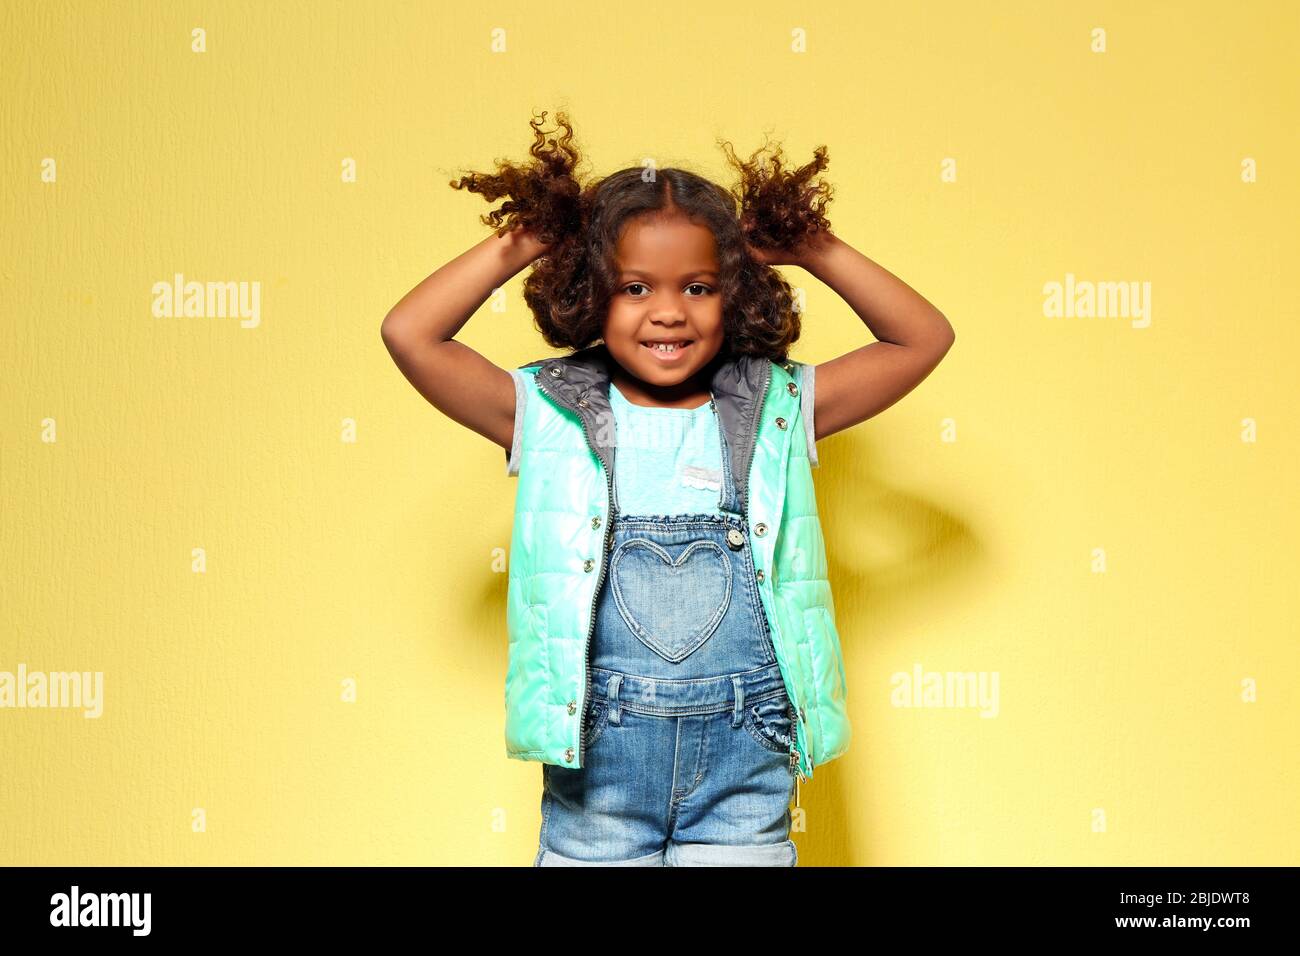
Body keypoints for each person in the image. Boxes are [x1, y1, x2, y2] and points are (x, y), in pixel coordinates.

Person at [381, 110, 955, 865]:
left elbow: (923, 337)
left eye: (698, 285)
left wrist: (813, 248)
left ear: (736, 292)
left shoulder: (776, 405)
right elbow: (409, 333)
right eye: (633, 286)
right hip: (599, 779)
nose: (668, 311)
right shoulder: (548, 410)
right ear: (588, 288)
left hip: (744, 765)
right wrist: (528, 238)